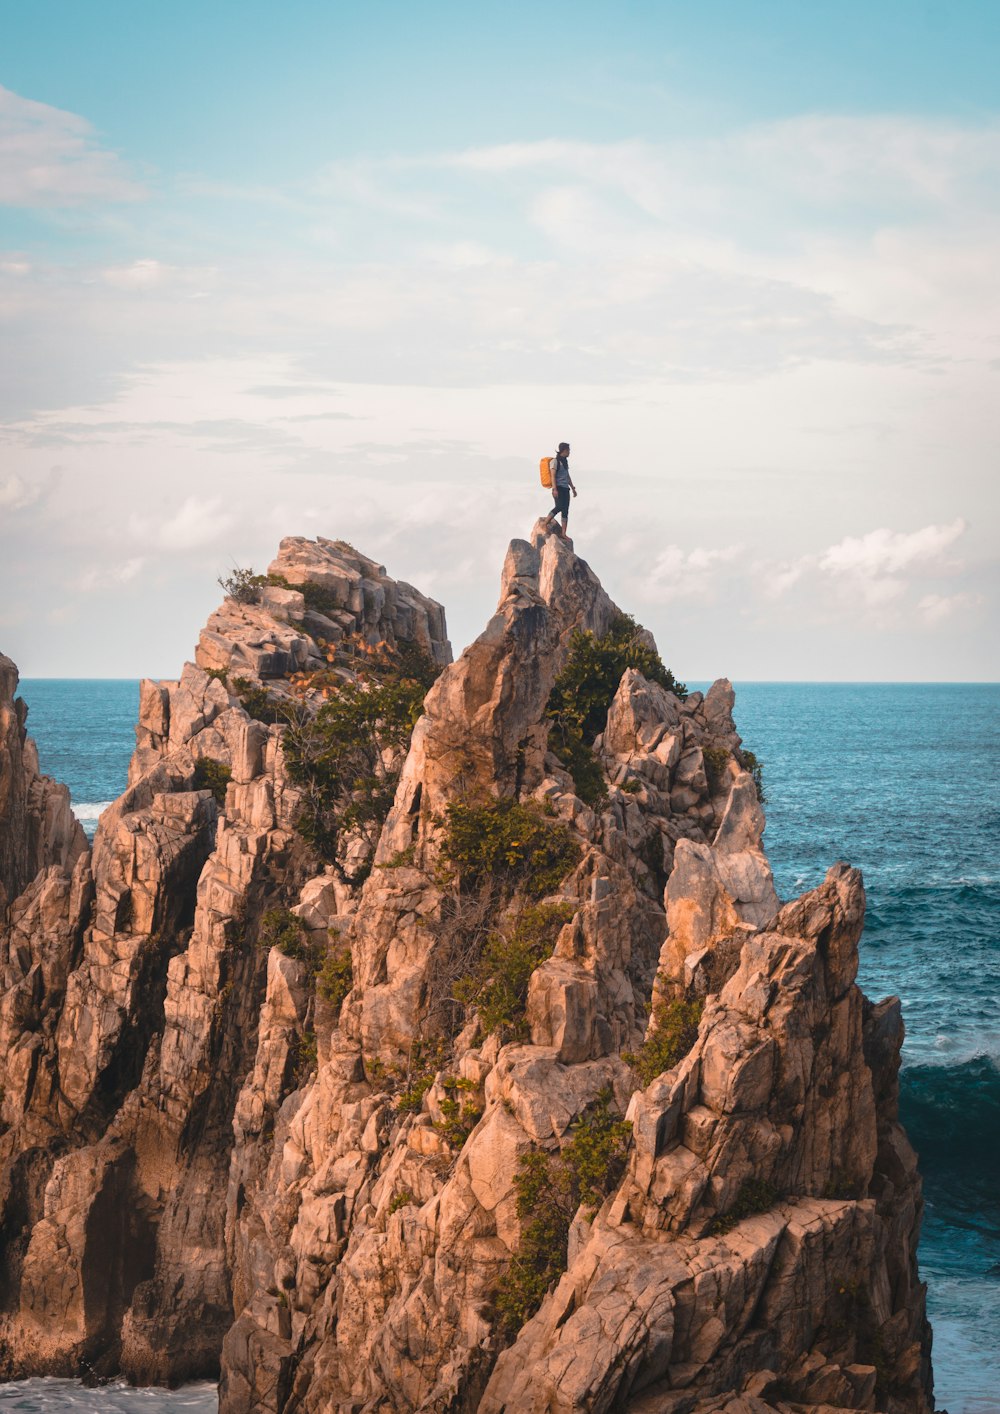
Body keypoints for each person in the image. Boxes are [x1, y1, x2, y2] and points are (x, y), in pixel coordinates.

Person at [544, 442, 577, 538]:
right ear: (564, 450)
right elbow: (553, 476)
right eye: (568, 450)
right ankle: (545, 523)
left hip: (566, 489)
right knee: (559, 506)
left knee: (565, 510)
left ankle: (563, 534)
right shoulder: (555, 461)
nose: (569, 452)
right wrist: (554, 489)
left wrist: (573, 488)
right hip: (558, 488)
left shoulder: (565, 462)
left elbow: (567, 476)